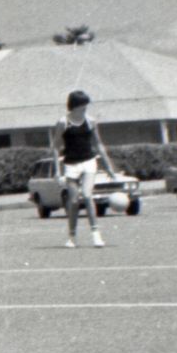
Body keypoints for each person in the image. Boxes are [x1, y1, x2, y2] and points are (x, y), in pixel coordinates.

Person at [55, 90, 117, 249]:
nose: (85, 108)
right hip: (71, 165)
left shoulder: (90, 121)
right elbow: (56, 147)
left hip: (89, 162)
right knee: (74, 201)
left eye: (86, 105)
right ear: (74, 106)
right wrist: (57, 170)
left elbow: (99, 145)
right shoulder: (63, 122)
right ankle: (72, 237)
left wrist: (109, 168)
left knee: (88, 196)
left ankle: (96, 235)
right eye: (83, 105)